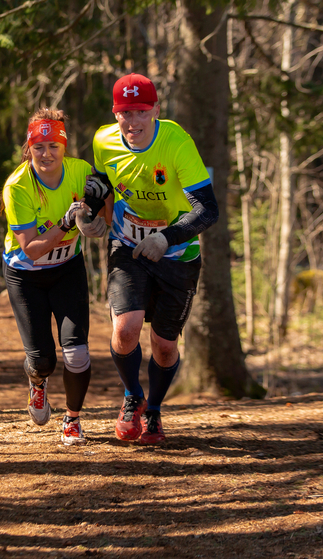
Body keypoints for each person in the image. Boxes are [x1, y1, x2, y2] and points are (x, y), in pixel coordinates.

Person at [86, 73, 219, 444]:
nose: (133, 122)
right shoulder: (103, 140)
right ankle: (132, 396)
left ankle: (156, 410)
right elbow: (101, 184)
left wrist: (166, 237)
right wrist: (87, 213)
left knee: (164, 345)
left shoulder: (176, 142)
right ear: (115, 114)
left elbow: (208, 210)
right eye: (125, 113)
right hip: (126, 246)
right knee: (125, 329)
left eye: (141, 112)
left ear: (156, 110)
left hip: (178, 254)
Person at [1, 108, 106, 445]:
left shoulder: (80, 171)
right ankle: (37, 382)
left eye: (54, 146)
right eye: (39, 147)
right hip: (25, 275)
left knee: (77, 353)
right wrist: (65, 222)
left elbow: (102, 216)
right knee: (42, 359)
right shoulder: (18, 186)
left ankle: (72, 420)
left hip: (67, 270)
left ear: (65, 146)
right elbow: (31, 248)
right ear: (28, 149)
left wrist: (100, 204)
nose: (46, 154)